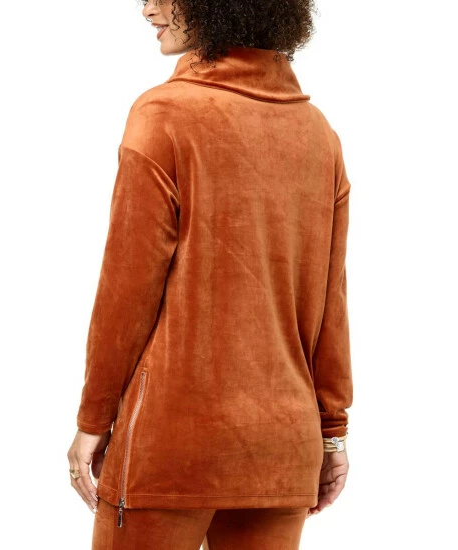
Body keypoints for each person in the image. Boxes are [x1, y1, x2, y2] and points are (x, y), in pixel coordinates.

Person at [66, 0, 353, 548]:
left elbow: (126, 291)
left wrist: (94, 421)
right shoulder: (320, 133)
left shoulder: (165, 114)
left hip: (170, 444)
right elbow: (330, 300)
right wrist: (331, 432)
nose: (147, 9)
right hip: (282, 447)